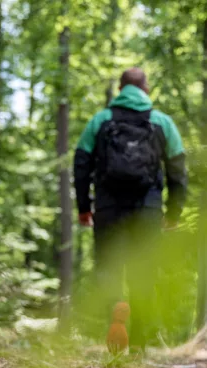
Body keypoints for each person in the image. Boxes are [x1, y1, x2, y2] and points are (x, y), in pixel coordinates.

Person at [73, 68, 187, 353]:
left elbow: (81, 163)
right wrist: (174, 212)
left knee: (109, 268)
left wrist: (84, 207)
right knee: (145, 272)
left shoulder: (101, 120)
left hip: (109, 207)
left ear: (120, 89)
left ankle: (115, 309)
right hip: (147, 209)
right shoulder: (162, 122)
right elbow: (178, 170)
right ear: (145, 88)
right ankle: (138, 344)